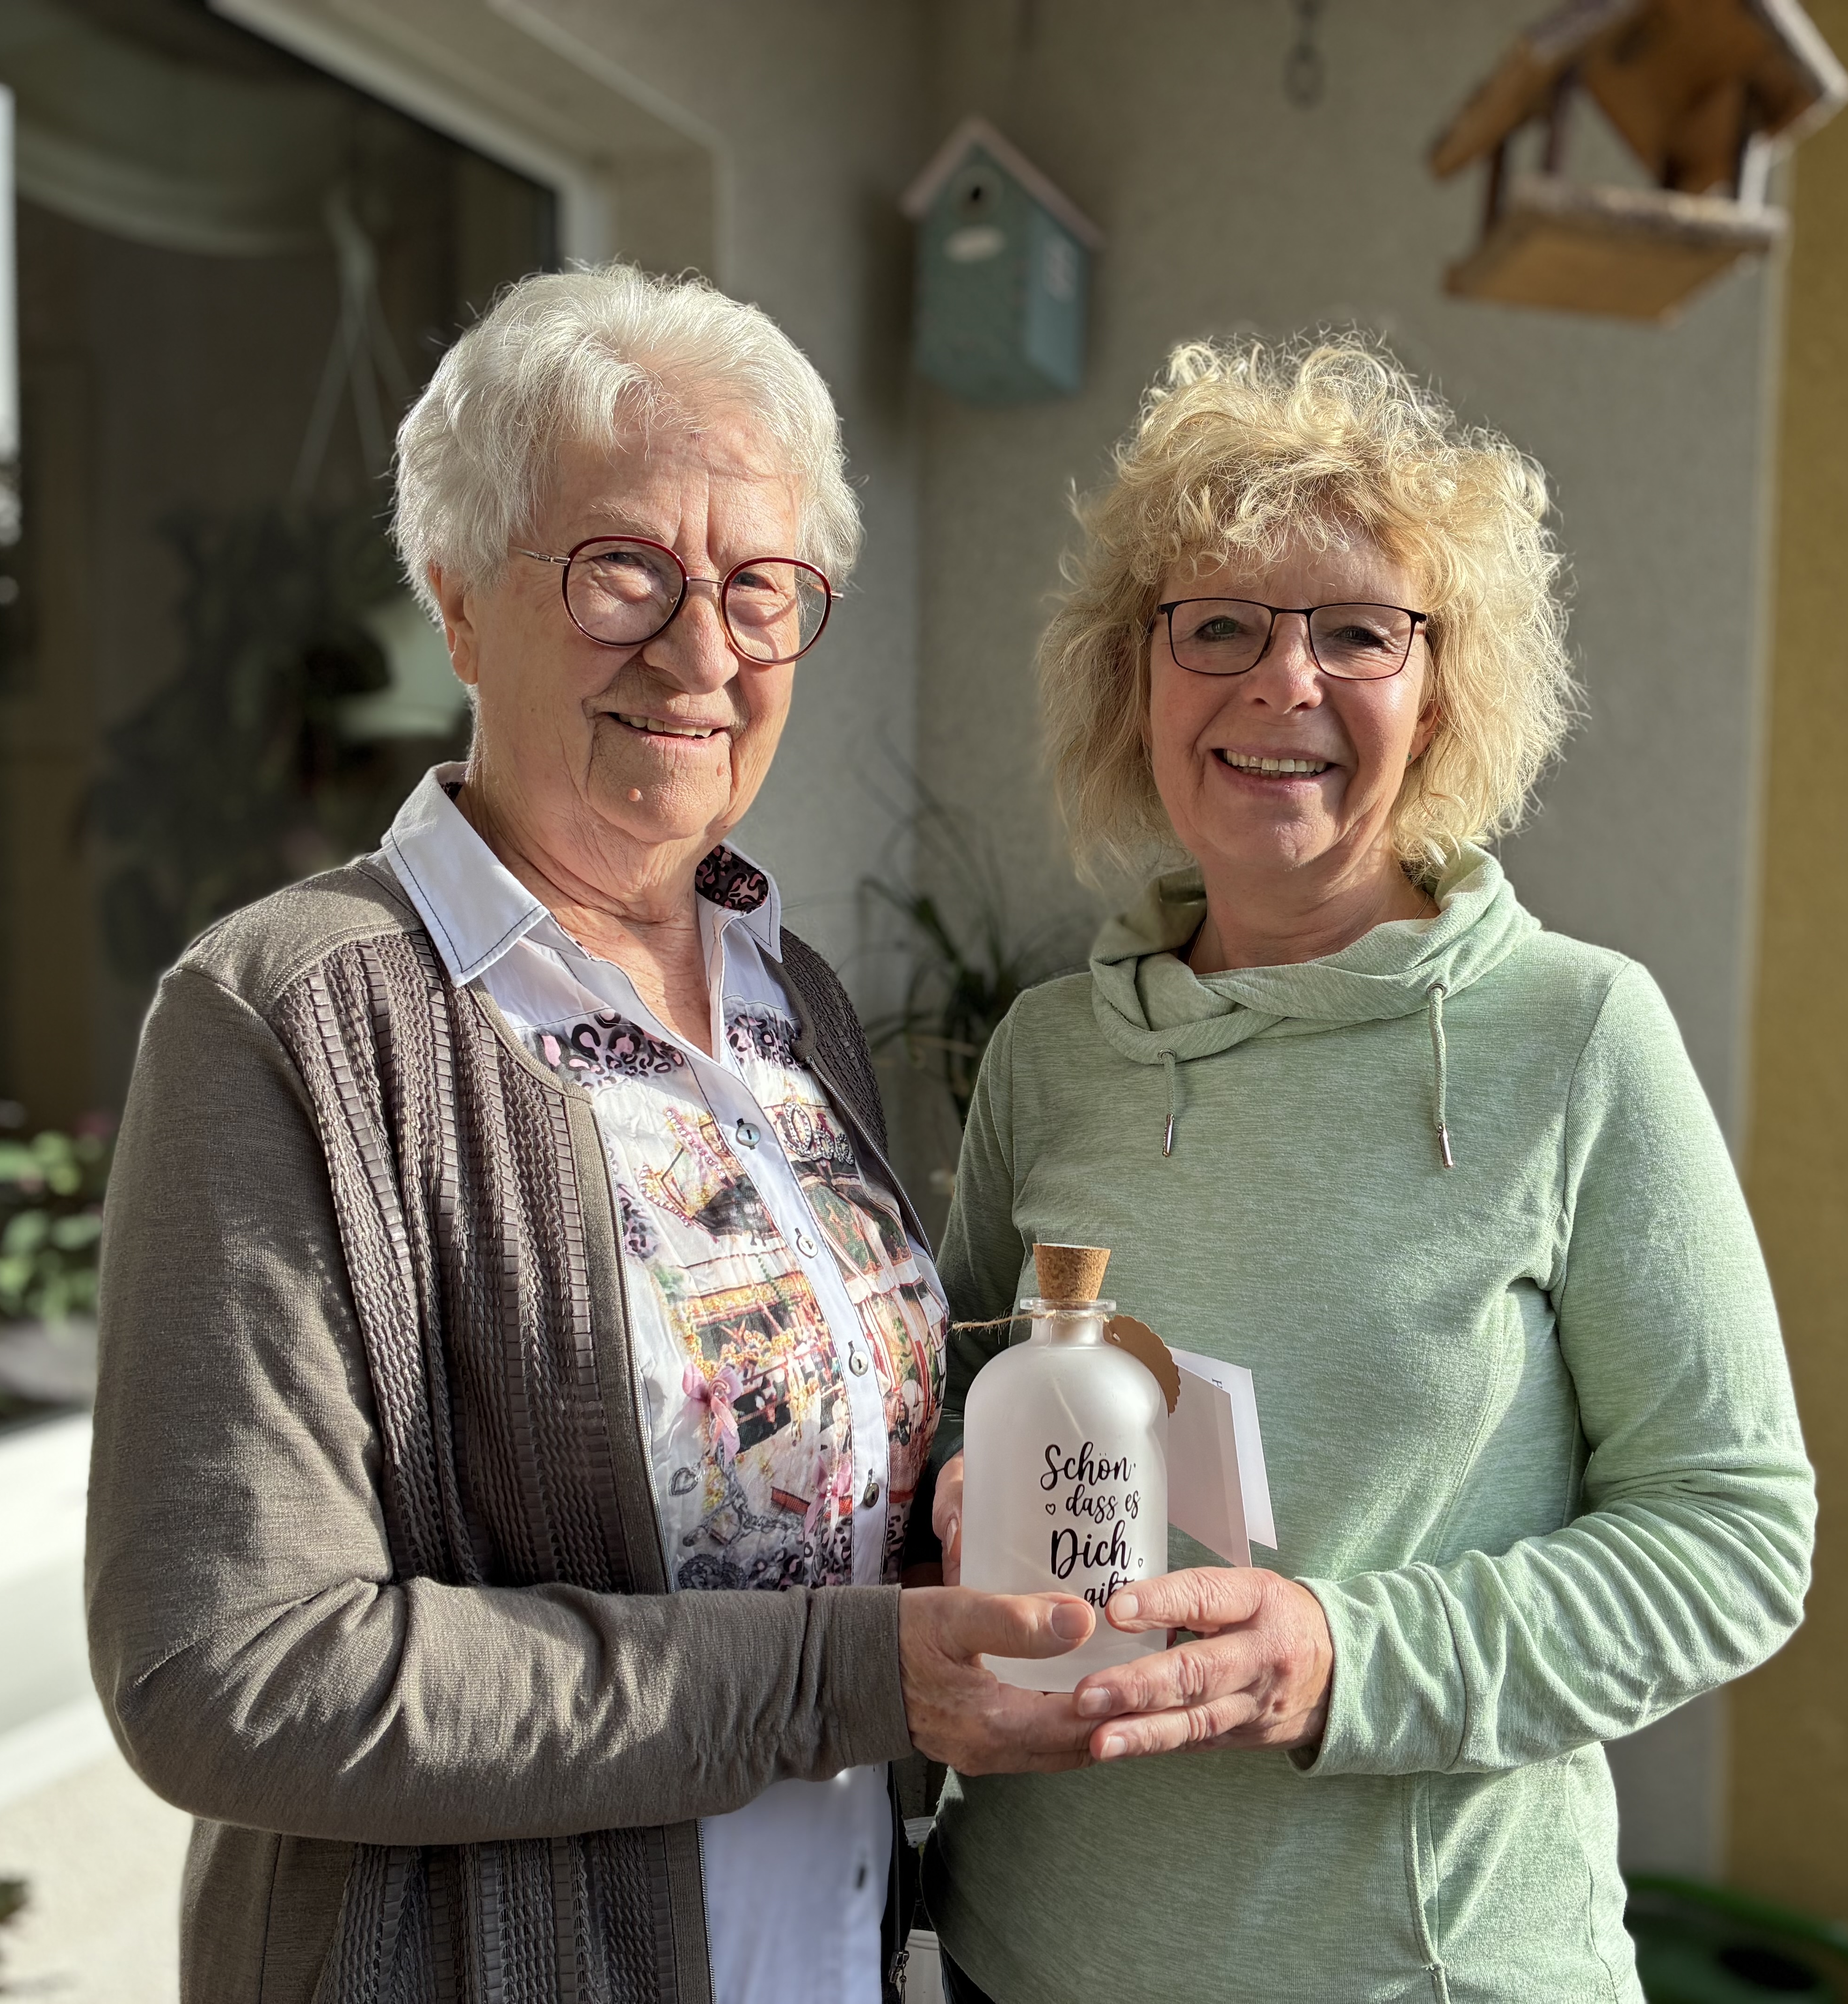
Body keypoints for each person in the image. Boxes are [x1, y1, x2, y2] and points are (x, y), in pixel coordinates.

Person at [86, 266, 1103, 2004]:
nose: (703, 651)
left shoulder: (799, 1006)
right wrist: (845, 1676)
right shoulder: (292, 1016)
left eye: (761, 587)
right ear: (459, 597)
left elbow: (813, 1519)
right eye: (625, 568)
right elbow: (231, 1667)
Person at [923, 334, 1818, 2003]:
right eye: (1223, 628)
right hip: (1024, 1959)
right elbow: (944, 1435)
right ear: (1139, 675)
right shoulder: (1053, 1051)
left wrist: (1344, 1658)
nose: (1286, 686)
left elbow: (1735, 1535)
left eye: (1357, 631)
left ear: (1445, 685)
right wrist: (946, 1501)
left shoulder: (1578, 1036)